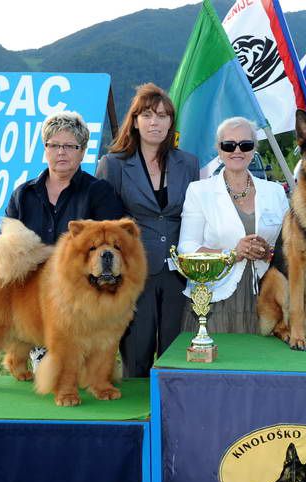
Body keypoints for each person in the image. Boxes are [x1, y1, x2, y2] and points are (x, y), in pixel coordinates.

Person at [96, 83, 199, 378]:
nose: (155, 122)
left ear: (171, 123)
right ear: (135, 121)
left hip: (181, 274)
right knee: (136, 356)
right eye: (148, 115)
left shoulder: (189, 163)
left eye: (163, 116)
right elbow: (106, 225)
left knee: (176, 354)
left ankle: (172, 417)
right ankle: (139, 420)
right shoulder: (113, 165)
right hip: (134, 274)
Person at [178, 116, 289, 334]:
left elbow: (288, 247)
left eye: (245, 144)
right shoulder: (199, 191)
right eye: (229, 145)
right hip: (216, 301)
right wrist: (231, 254)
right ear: (219, 151)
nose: (237, 150)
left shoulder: (275, 192)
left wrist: (268, 252)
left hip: (268, 299)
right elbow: (186, 248)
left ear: (254, 149)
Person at [5, 110, 123, 243]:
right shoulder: (22, 195)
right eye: (54, 145)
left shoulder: (101, 193)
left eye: (69, 146)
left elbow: (112, 246)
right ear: (45, 149)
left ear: (83, 151)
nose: (61, 152)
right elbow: (6, 250)